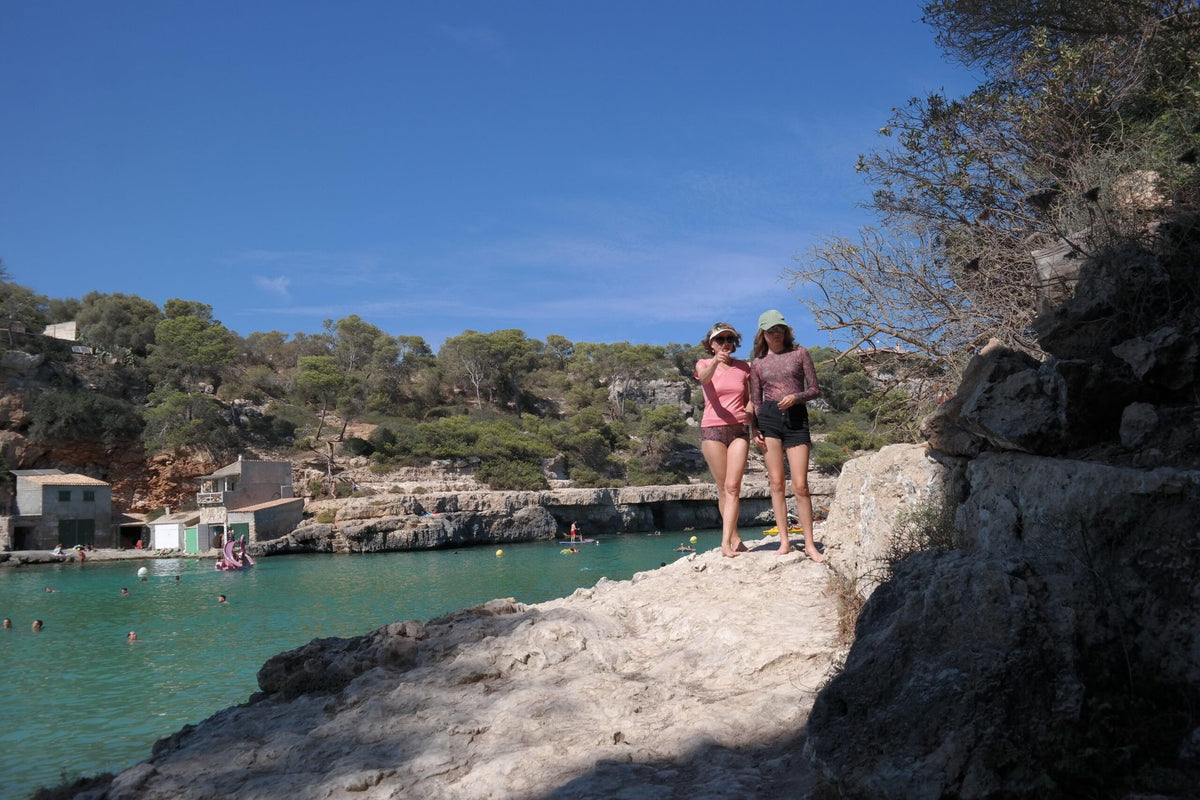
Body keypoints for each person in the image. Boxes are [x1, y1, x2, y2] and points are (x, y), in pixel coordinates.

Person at [750, 309, 825, 562]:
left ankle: (810, 544)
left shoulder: (800, 353)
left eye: (780, 328)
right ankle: (784, 541)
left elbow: (815, 389)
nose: (777, 333)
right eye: (772, 330)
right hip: (769, 419)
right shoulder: (757, 364)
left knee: (801, 485)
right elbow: (756, 400)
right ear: (763, 333)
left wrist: (797, 396)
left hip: (796, 417)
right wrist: (755, 428)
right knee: (777, 483)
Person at [695, 322, 753, 558]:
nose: (726, 344)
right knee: (722, 488)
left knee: (733, 487)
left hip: (739, 429)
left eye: (730, 339)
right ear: (711, 344)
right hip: (712, 430)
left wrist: (750, 412)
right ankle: (733, 537)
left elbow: (750, 398)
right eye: (721, 340)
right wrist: (716, 362)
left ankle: (725, 542)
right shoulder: (703, 364)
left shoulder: (744, 367)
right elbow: (703, 380)